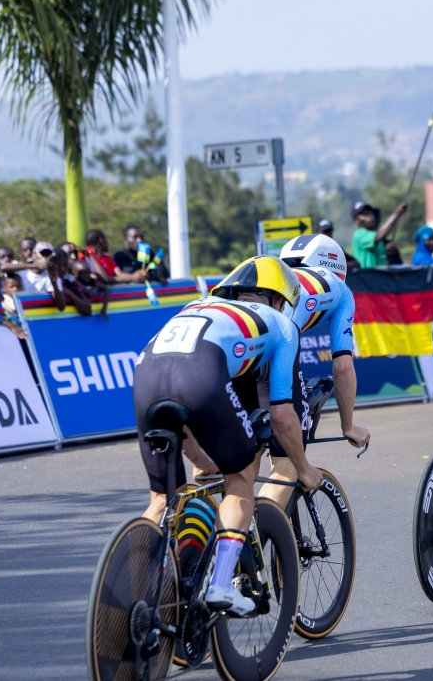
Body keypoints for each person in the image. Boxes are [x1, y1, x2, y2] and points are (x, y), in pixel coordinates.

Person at [132, 255, 322, 615]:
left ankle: (135, 586)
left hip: (146, 377)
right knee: (239, 479)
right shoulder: (281, 324)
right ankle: (221, 585)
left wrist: (201, 456)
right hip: (200, 376)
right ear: (277, 299)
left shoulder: (199, 304)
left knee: (162, 497)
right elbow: (282, 416)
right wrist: (304, 469)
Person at [258, 235, 370, 506]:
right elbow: (342, 366)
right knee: (290, 465)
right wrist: (348, 426)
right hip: (274, 346)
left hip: (240, 345)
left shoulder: (275, 274)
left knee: (245, 462)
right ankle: (254, 536)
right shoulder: (340, 290)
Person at [351, 201, 408, 269]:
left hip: (381, 277)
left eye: (369, 212)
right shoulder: (359, 234)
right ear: (356, 220)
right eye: (364, 214)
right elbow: (380, 235)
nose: (369, 216)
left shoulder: (376, 236)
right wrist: (396, 214)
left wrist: (389, 253)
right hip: (367, 277)